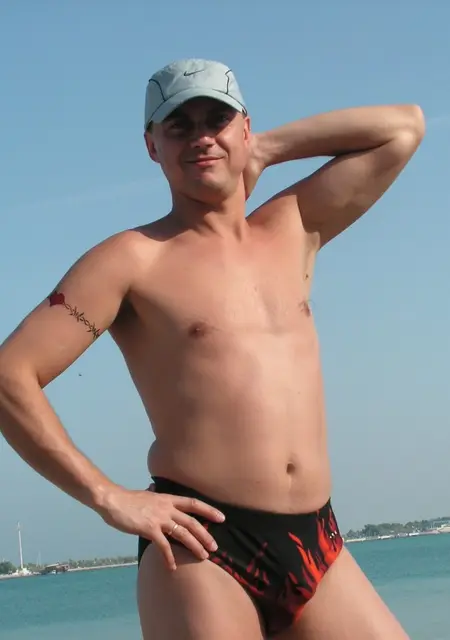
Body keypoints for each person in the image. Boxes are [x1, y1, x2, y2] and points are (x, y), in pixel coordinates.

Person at [0, 58, 424, 639]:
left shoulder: (295, 225)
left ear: (244, 128)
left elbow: (403, 127)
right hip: (203, 546)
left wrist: (267, 149)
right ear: (152, 146)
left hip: (318, 540)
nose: (201, 137)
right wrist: (107, 497)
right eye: (179, 125)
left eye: (216, 120)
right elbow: (11, 373)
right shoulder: (132, 259)